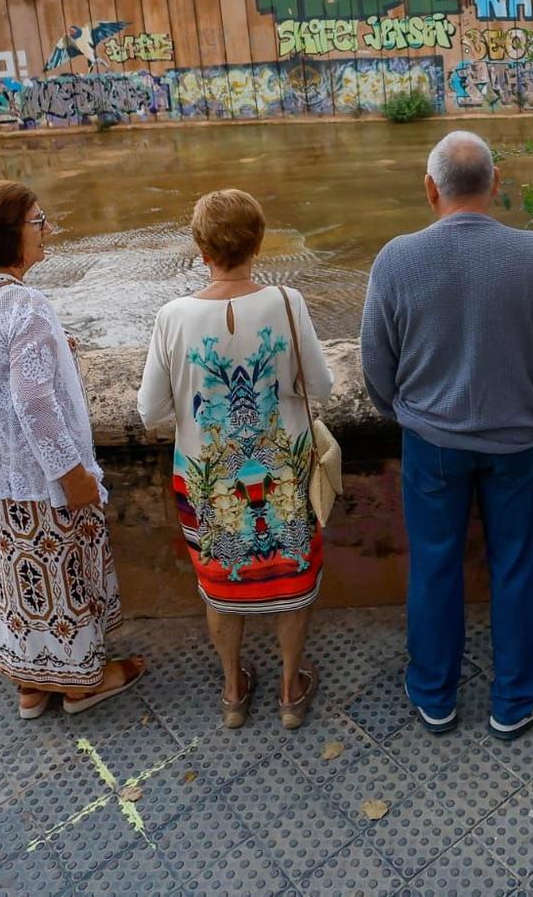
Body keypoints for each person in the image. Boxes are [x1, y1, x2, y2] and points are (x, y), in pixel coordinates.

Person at [361, 131, 533, 740]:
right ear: (496, 184)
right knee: (518, 566)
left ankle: (434, 693)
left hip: (430, 443)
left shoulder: (396, 259)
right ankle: (517, 698)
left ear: (430, 189)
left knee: (433, 566)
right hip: (517, 442)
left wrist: (405, 412)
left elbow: (375, 366)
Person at [0, 180, 141, 718]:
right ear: (10, 235)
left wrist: (54, 348)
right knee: (60, 579)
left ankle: (30, 686)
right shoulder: (26, 305)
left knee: (16, 582)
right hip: (38, 481)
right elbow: (35, 405)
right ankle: (79, 686)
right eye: (38, 221)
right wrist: (72, 474)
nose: (47, 230)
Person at [138, 189, 334, 730]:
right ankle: (290, 690)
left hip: (208, 483)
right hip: (283, 474)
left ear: (202, 248)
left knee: (221, 579)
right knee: (291, 574)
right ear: (258, 242)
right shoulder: (287, 302)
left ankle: (232, 690)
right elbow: (321, 385)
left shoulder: (172, 316)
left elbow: (151, 411)